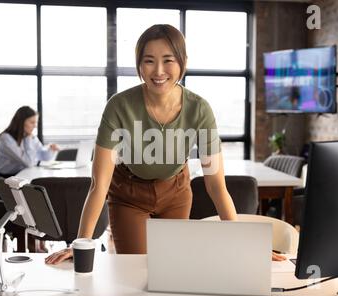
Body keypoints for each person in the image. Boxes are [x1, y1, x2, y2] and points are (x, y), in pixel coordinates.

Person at [46, 24, 286, 264]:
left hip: (176, 192)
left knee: (171, 269)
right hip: (129, 194)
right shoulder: (119, 107)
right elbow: (99, 184)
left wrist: (243, 241)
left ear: (183, 62)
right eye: (149, 61)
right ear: (139, 64)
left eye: (168, 60)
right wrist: (80, 243)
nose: (158, 71)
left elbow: (216, 185)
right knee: (135, 270)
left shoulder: (199, 110)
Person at [0, 106, 59, 179]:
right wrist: (29, 139)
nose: (35, 126)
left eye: (36, 122)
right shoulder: (5, 139)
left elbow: (42, 156)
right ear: (21, 122)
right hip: (2, 178)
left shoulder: (28, 136)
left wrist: (51, 149)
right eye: (32, 122)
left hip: (19, 175)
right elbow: (29, 162)